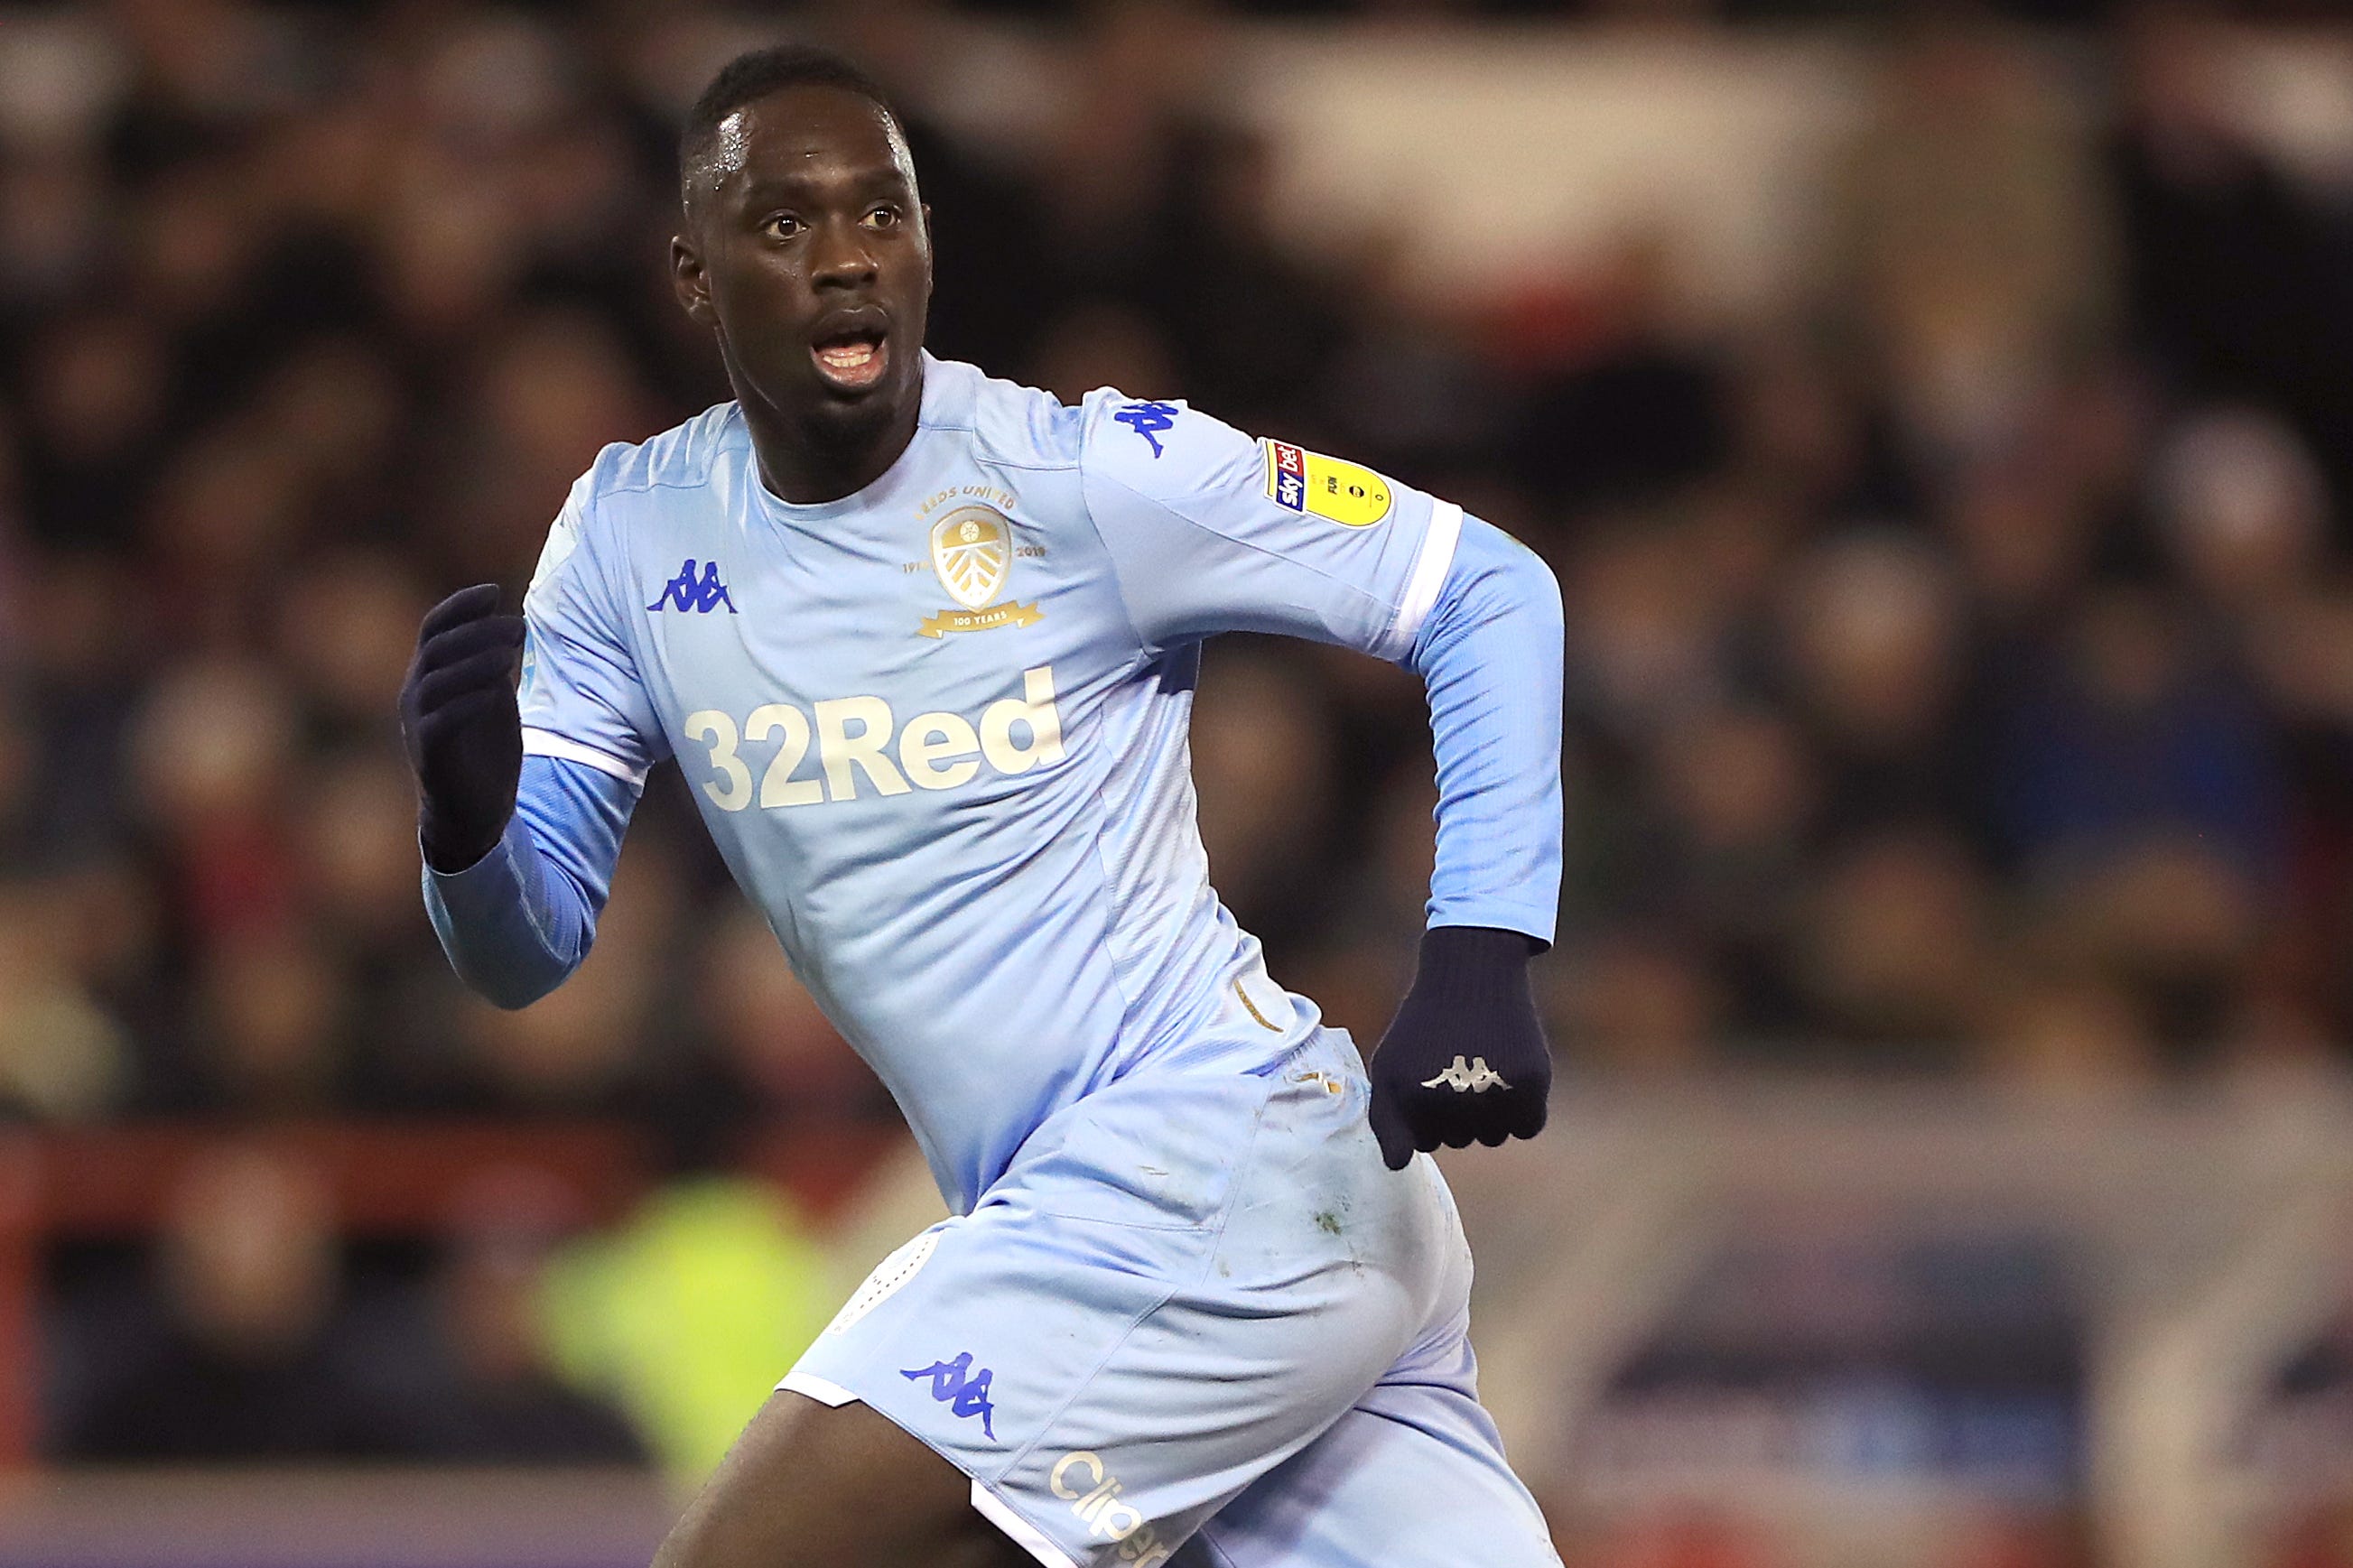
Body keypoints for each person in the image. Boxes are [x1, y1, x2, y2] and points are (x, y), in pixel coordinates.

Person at [399, 44, 1565, 1568]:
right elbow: (526, 951)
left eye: (882, 217)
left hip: (1213, 1165)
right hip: (1197, 1234)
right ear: (692, 273)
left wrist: (1479, 949)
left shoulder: (1080, 476)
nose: (844, 262)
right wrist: (468, 822)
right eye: (786, 225)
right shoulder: (630, 531)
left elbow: (1481, 586)